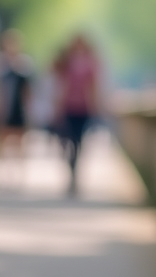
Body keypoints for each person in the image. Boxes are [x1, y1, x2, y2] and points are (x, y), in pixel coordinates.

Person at [56, 33, 100, 197]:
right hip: (68, 107)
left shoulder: (90, 64)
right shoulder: (67, 63)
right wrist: (58, 107)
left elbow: (93, 87)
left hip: (83, 108)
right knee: (67, 141)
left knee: (79, 141)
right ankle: (71, 168)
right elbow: (62, 85)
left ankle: (75, 172)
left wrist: (95, 106)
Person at [0, 29, 33, 166]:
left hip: (18, 107)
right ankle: (1, 169)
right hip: (3, 107)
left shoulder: (24, 64)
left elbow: (27, 90)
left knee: (20, 140)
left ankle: (18, 169)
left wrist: (29, 109)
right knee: (1, 139)